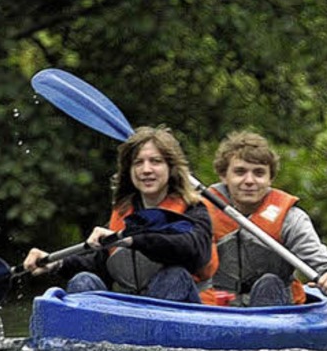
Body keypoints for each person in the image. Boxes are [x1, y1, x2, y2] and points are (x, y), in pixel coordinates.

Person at [23, 126, 217, 303]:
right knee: (83, 280)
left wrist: (133, 240)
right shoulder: (125, 212)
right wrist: (57, 263)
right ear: (130, 171)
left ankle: (149, 336)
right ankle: (87, 340)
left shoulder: (194, 210)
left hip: (181, 309)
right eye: (138, 163)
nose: (146, 170)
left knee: (174, 276)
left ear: (171, 168)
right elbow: (101, 264)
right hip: (132, 308)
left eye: (156, 161)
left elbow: (194, 251)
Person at [203, 130, 327, 307]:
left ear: (270, 178)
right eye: (240, 172)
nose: (249, 180)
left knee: (270, 282)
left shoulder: (291, 218)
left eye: (259, 173)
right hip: (215, 308)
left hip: (275, 306)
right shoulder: (199, 212)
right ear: (223, 175)